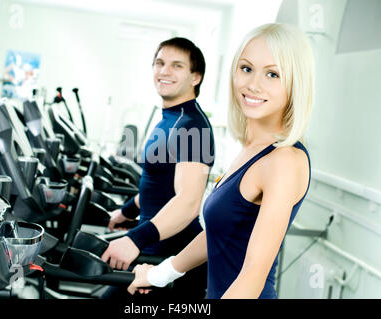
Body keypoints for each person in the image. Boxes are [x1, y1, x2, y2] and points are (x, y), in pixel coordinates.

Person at [127, 22, 315, 299]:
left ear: (295, 84)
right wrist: (158, 274)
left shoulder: (284, 159)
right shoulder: (251, 149)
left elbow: (253, 275)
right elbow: (219, 233)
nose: (253, 84)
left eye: (273, 74)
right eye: (246, 68)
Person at [100, 37, 215, 299]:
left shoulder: (191, 125)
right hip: (156, 246)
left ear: (195, 77)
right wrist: (126, 211)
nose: (164, 71)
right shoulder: (171, 118)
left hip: (172, 258)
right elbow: (159, 186)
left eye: (176, 66)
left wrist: (135, 239)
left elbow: (188, 202)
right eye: (160, 63)